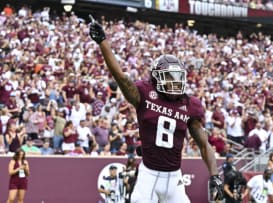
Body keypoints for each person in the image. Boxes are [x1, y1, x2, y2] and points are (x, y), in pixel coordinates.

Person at [89, 18, 223, 203]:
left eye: (178, 77)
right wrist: (103, 42)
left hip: (175, 177)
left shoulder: (190, 104)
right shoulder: (144, 93)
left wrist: (215, 176)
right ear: (156, 78)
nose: (175, 82)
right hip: (148, 175)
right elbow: (120, 76)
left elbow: (204, 144)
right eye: (169, 77)